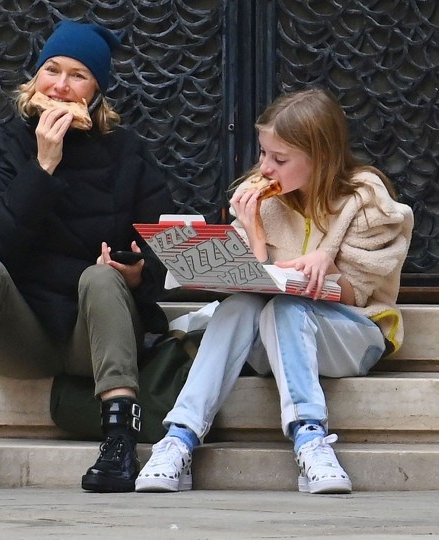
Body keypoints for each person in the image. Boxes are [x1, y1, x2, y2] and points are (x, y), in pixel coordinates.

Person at [0, 19, 174, 494]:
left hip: (94, 335)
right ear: (35, 79)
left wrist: (136, 273)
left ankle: (120, 446)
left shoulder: (128, 154)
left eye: (78, 75)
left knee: (100, 278)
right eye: (52, 70)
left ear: (97, 91)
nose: (61, 86)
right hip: (25, 336)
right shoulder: (2, 147)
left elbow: (163, 252)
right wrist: (42, 165)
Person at [135, 87, 413, 494]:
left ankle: (310, 437)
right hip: (273, 337)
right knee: (241, 306)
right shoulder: (258, 199)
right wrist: (255, 237)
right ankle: (179, 437)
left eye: (279, 159)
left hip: (354, 334)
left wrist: (330, 265)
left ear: (320, 159)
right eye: (263, 153)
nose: (265, 167)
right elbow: (246, 286)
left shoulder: (365, 200)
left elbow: (361, 295)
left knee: (288, 308)